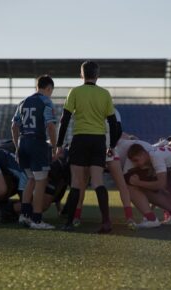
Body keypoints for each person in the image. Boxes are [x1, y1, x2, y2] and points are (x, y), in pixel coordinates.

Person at [56, 60, 119, 233]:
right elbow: (113, 123)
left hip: (80, 139)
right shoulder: (105, 94)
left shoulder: (75, 92)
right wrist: (111, 145)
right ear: (98, 75)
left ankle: (69, 223)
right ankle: (106, 221)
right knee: (98, 181)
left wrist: (59, 144)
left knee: (77, 182)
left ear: (81, 74)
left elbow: (65, 119)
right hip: (99, 140)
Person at [12, 75, 57, 230]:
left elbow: (14, 126)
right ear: (49, 88)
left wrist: (17, 147)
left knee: (30, 179)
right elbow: (50, 126)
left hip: (23, 143)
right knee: (40, 181)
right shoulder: (46, 102)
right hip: (37, 143)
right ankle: (37, 220)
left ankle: (24, 215)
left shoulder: (22, 102)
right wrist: (55, 146)